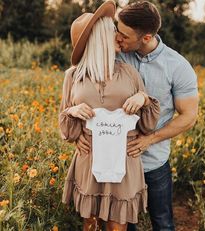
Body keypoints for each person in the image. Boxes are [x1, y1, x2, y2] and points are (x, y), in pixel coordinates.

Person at [78, 1, 199, 231]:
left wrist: (149, 140)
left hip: (154, 164)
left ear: (146, 37)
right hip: (115, 166)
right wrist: (77, 134)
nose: (117, 38)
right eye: (117, 30)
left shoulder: (178, 67)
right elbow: (84, 86)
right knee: (123, 225)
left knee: (162, 223)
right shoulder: (115, 56)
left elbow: (189, 116)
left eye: (124, 35)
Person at [59, 1, 160, 231]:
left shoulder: (130, 73)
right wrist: (72, 112)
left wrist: (144, 100)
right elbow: (67, 130)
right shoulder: (73, 76)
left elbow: (148, 124)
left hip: (123, 162)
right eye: (111, 30)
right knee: (90, 224)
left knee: (117, 227)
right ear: (100, 37)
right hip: (90, 160)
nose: (117, 34)